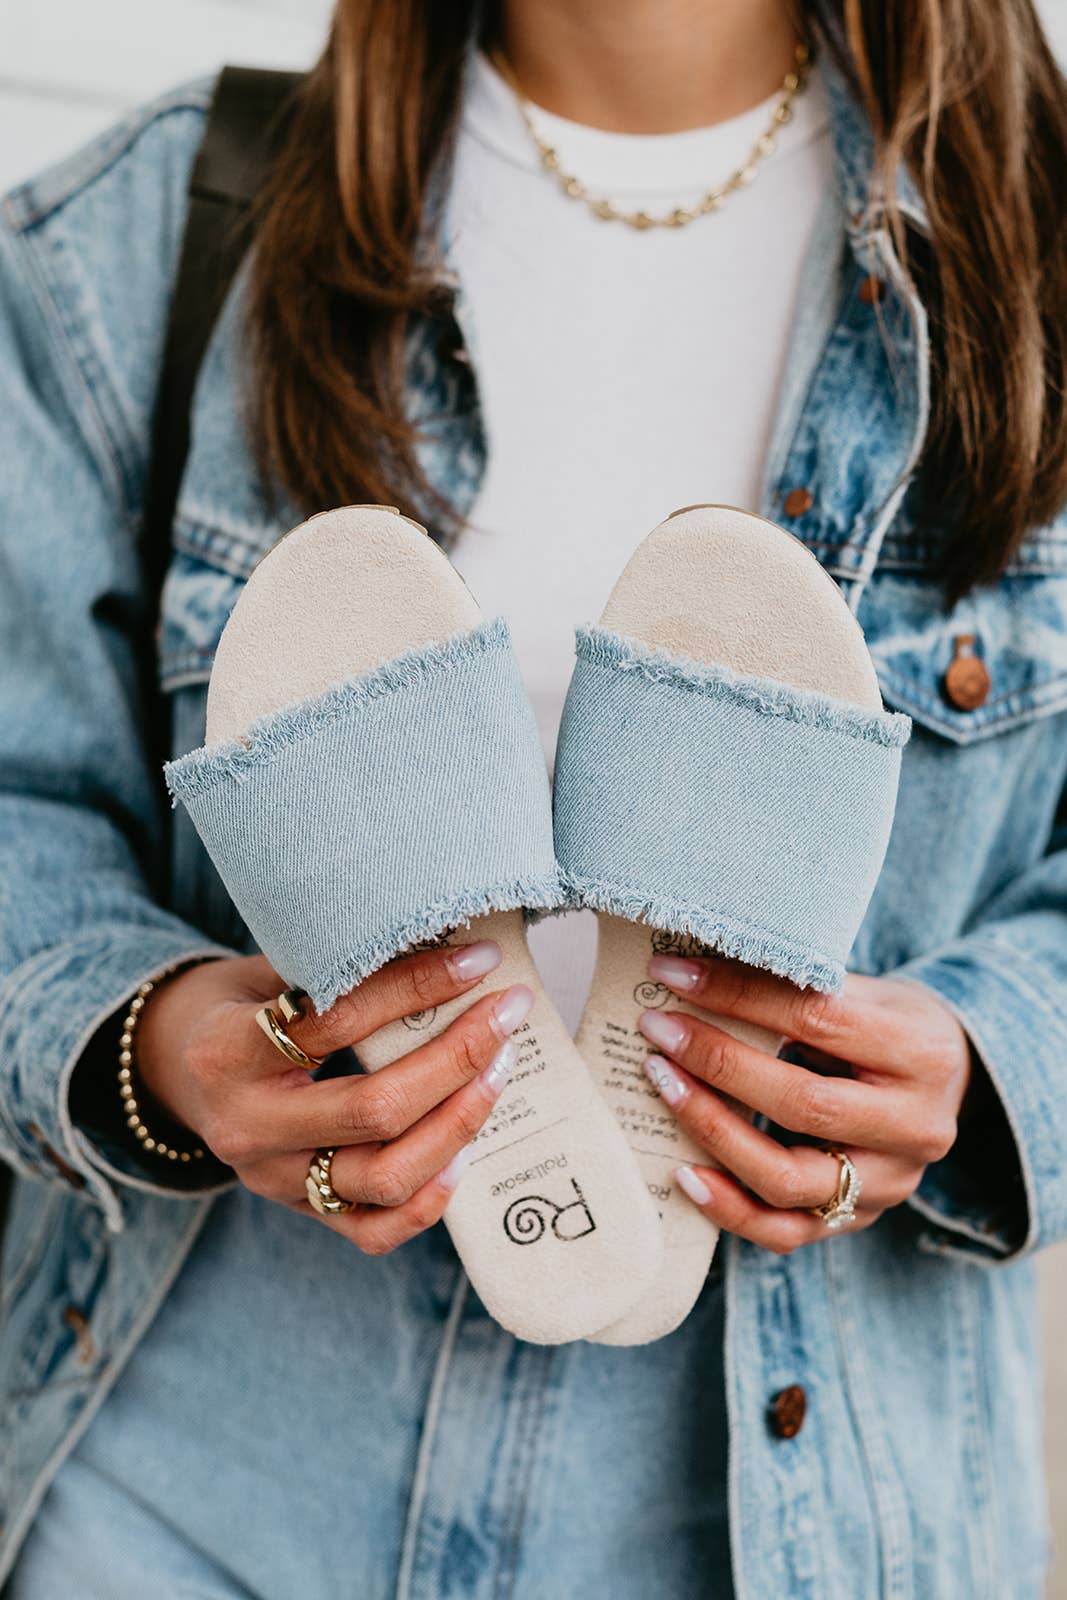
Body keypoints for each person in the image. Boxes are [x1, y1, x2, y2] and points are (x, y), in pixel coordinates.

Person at [1, 1, 1066, 1594]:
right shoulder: (152, 233)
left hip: (793, 1532)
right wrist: (152, 1045)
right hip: (189, 1505)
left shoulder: (1032, 251)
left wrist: (987, 1067)